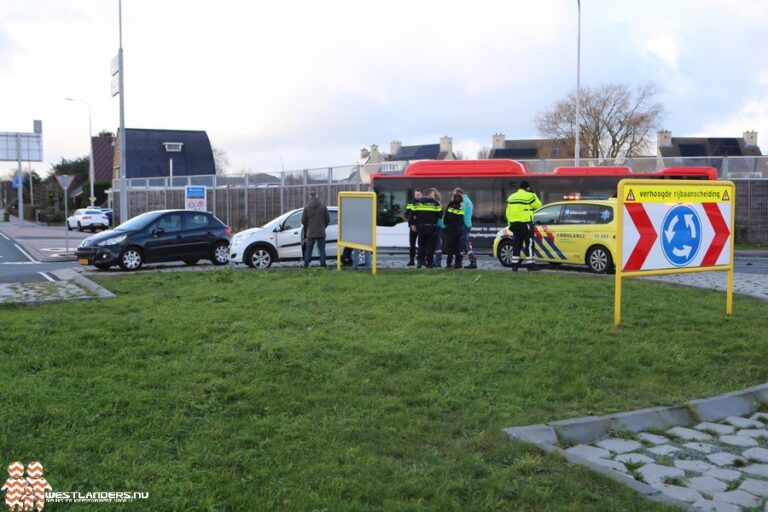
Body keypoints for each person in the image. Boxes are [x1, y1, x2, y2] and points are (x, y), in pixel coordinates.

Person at [505, 180, 542, 271]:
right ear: (527, 188)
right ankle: (530, 265)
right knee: (529, 244)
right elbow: (538, 205)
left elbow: (507, 212)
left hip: (514, 225)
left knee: (517, 244)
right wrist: (533, 194)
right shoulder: (529, 196)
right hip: (526, 224)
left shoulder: (511, 197)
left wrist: (510, 224)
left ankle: (514, 265)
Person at [412, 188, 442, 268]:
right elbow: (440, 215)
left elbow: (412, 214)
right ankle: (429, 263)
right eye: (433, 194)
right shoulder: (435, 203)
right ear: (430, 194)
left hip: (421, 227)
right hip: (431, 228)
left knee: (421, 245)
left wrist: (413, 224)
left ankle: (419, 263)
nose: (434, 196)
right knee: (430, 246)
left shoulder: (418, 202)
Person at [301, 192, 330, 268]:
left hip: (310, 232)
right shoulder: (323, 207)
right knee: (322, 250)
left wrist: (308, 228)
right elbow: (328, 219)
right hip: (321, 232)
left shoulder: (306, 208)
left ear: (310, 197)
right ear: (317, 197)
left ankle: (306, 265)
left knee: (309, 250)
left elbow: (303, 221)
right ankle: (323, 265)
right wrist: (323, 227)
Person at [454, 188, 478, 269]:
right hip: (468, 224)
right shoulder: (468, 200)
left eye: (455, 194)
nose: (454, 196)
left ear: (459, 193)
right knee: (463, 244)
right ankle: (459, 262)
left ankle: (473, 262)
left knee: (465, 244)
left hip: (463, 225)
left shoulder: (463, 201)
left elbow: (461, 214)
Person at [443, 191, 465, 269]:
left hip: (450, 230)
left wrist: (446, 224)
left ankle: (449, 263)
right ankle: (458, 264)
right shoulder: (460, 207)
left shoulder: (450, 205)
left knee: (450, 248)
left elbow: (445, 217)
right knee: (458, 248)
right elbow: (461, 220)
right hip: (458, 230)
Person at [405, 189, 422, 266]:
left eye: (418, 195)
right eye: (416, 195)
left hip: (421, 226)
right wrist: (411, 224)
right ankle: (411, 260)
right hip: (413, 226)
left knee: (421, 244)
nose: (417, 196)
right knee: (412, 244)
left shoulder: (423, 203)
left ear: (421, 195)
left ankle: (420, 260)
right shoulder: (411, 203)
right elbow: (407, 214)